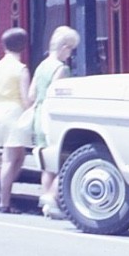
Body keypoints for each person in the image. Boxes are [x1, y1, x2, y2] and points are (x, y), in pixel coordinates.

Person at [31, 25, 80, 219]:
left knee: (47, 162)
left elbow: (31, 94)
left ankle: (47, 205)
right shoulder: (61, 69)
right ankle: (52, 197)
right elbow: (59, 95)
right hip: (51, 117)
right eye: (71, 49)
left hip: (38, 115)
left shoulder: (41, 66)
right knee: (66, 159)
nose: (70, 54)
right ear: (64, 47)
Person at [0, 26, 33, 214]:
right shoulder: (21, 69)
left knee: (17, 156)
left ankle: (2, 191)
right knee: (11, 159)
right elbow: (25, 98)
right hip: (13, 112)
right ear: (23, 46)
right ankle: (3, 201)